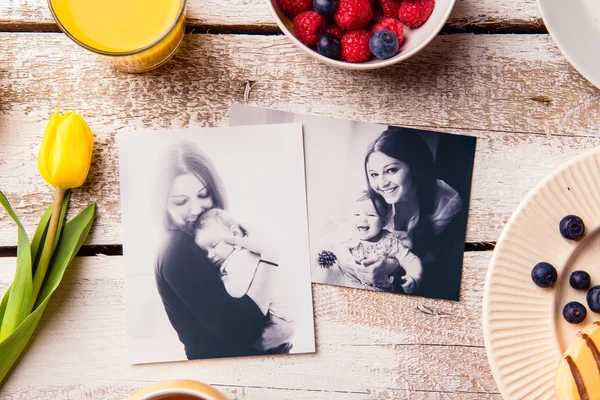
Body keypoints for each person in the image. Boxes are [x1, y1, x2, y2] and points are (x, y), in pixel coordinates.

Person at [154, 140, 291, 360]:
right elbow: (245, 331)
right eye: (181, 201)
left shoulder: (222, 233)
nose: (196, 209)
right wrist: (270, 258)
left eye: (203, 194)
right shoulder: (175, 246)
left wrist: (289, 328)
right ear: (163, 205)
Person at [340, 128, 463, 297]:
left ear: (414, 166)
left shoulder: (447, 201)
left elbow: (421, 249)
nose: (381, 183)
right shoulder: (365, 202)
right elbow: (336, 237)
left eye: (391, 170)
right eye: (374, 174)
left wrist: (393, 264)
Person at [194, 208, 294, 354]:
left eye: (214, 245)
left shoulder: (240, 258)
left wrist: (222, 279)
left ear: (234, 234)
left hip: (276, 327)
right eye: (205, 251)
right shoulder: (245, 251)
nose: (210, 255)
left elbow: (236, 292)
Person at [313, 191, 422, 294]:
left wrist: (413, 277)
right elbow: (332, 248)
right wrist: (345, 257)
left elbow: (411, 260)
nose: (363, 219)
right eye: (357, 215)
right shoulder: (348, 236)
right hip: (345, 282)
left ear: (383, 222)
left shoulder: (390, 240)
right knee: (324, 271)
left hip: (375, 290)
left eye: (371, 215)